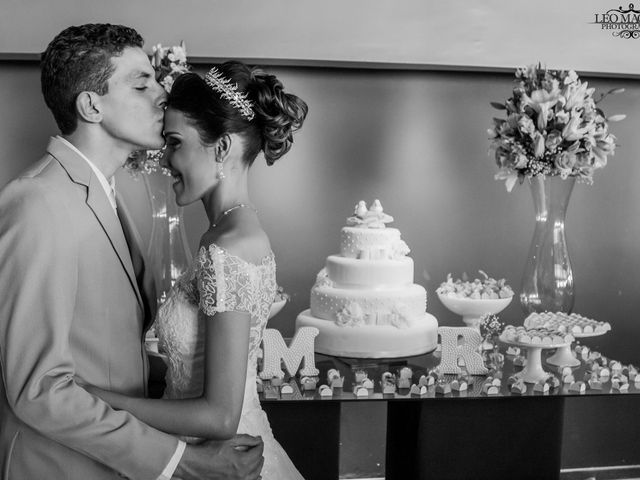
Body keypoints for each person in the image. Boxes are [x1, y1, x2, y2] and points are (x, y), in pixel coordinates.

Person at [0, 24, 263, 480]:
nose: (162, 94)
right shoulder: (37, 202)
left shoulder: (110, 195)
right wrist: (183, 462)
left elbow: (111, 348)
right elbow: (37, 388)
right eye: (141, 83)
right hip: (58, 467)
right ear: (91, 105)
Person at [83, 62, 309, 478]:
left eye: (174, 142)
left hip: (220, 460)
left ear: (221, 149)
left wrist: (98, 399)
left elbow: (220, 416)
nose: (164, 158)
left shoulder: (228, 247)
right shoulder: (231, 232)